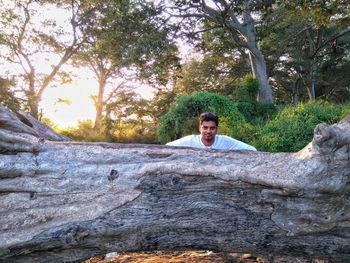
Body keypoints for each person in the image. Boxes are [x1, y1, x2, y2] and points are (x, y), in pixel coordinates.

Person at [166, 112, 257, 151]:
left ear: (216, 129)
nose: (208, 131)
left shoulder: (225, 141)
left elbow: (252, 150)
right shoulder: (190, 140)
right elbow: (167, 147)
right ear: (200, 128)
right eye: (205, 128)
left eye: (212, 128)